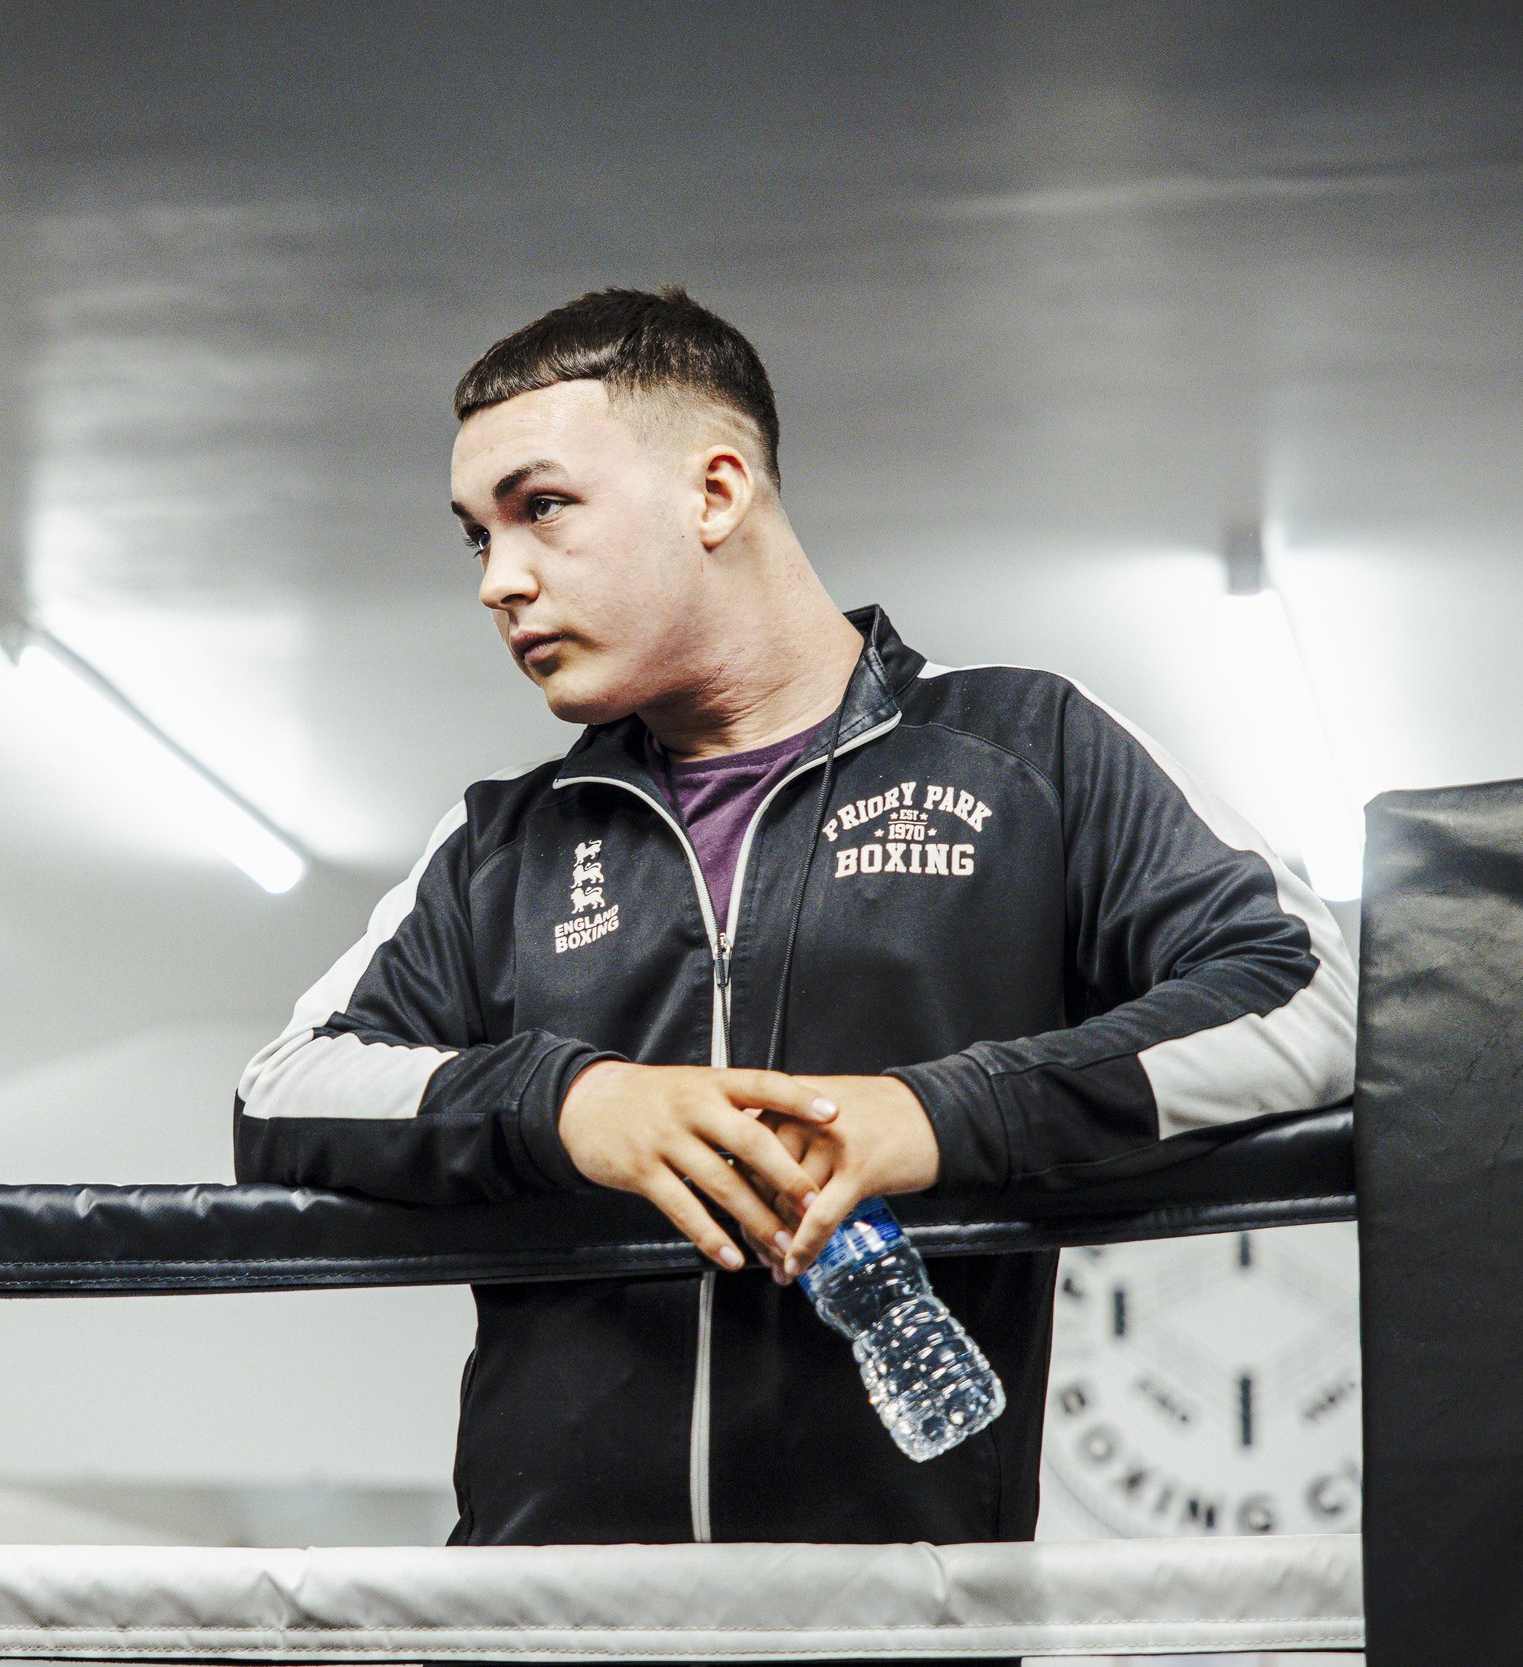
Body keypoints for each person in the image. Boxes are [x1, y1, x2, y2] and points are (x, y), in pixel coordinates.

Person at [233, 286, 1357, 1549]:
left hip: (900, 1622)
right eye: (474, 538)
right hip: (550, 1635)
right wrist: (569, 1102)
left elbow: (1303, 993)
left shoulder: (1025, 753)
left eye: (540, 507)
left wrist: (942, 1111)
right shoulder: (507, 843)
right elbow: (281, 1093)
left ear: (715, 493)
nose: (500, 579)